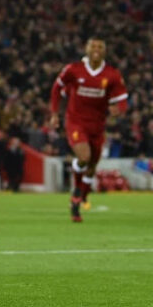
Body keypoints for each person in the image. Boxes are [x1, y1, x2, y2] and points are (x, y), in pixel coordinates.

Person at [49, 37, 128, 222]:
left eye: (100, 46)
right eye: (93, 46)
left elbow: (122, 98)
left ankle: (82, 196)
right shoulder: (73, 69)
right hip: (76, 122)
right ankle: (77, 193)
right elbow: (57, 88)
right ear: (86, 48)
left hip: (98, 126)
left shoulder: (112, 74)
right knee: (84, 157)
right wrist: (54, 113)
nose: (96, 49)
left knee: (92, 167)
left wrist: (119, 110)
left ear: (105, 51)